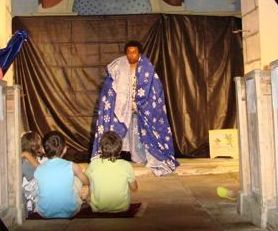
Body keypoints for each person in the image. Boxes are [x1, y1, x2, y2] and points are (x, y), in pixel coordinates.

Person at [92, 40, 179, 176]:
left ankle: (149, 159)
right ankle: (111, 159)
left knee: (142, 133)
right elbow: (109, 88)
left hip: (142, 107)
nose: (131, 55)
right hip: (123, 107)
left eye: (134, 52)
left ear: (139, 53)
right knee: (122, 132)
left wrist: (144, 103)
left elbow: (155, 89)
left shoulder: (147, 68)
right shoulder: (118, 67)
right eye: (129, 52)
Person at [34, 131, 89, 218]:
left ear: (43, 150)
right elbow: (86, 182)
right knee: (77, 179)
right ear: (65, 149)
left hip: (44, 212)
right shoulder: (72, 166)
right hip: (70, 211)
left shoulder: (39, 169)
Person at [86, 131, 138, 212]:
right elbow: (134, 188)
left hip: (97, 208)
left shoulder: (93, 164)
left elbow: (86, 181)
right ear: (120, 149)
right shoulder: (126, 165)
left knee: (91, 179)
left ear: (101, 148)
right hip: (122, 208)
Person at [21, 131, 44, 213]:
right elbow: (42, 171)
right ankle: (31, 202)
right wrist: (27, 155)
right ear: (35, 146)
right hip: (30, 188)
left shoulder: (29, 157)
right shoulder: (26, 160)